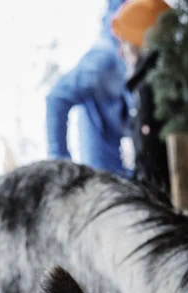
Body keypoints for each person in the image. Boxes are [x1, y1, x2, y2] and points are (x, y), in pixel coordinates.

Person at [45, 0, 131, 177]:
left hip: (120, 171)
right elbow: (57, 98)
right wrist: (60, 168)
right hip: (102, 174)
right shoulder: (104, 57)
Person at [112, 0, 171, 193]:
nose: (120, 52)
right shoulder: (154, 81)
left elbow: (151, 168)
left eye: (124, 41)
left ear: (140, 42)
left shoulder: (149, 89)